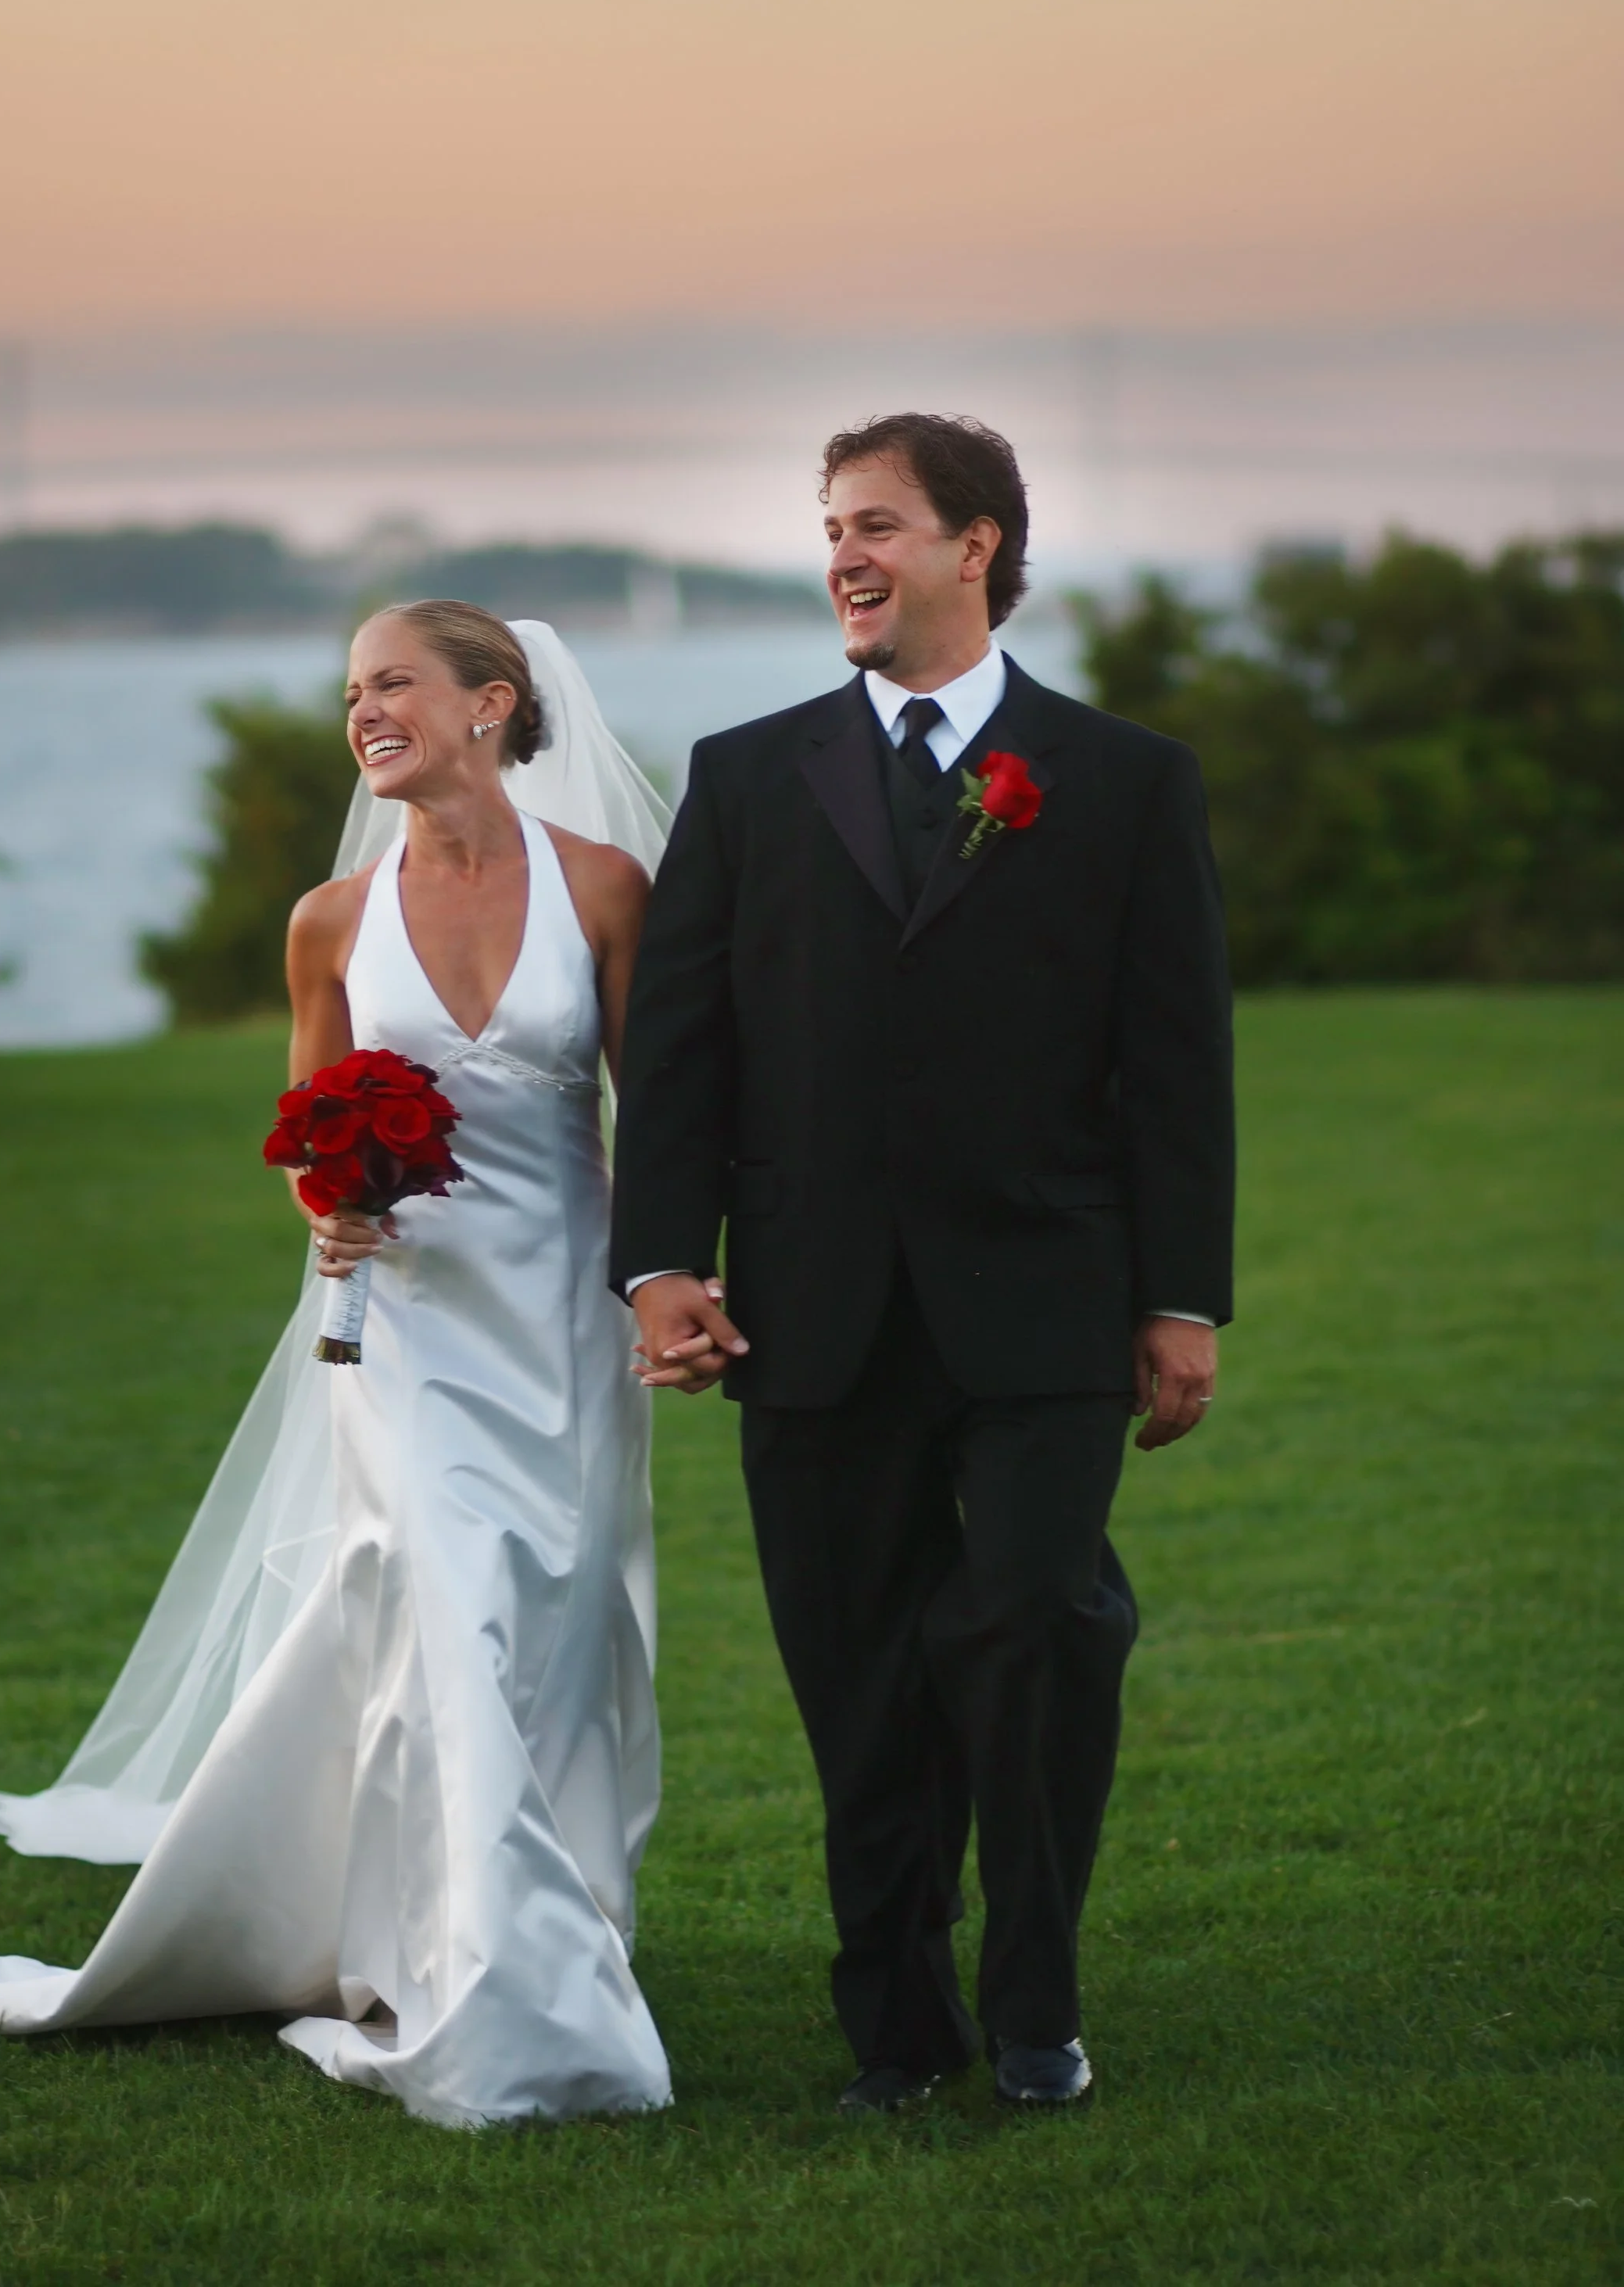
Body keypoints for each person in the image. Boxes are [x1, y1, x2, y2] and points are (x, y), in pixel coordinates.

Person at [0, 605, 674, 2129]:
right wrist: (329, 1208)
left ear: (491, 703)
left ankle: (516, 1929)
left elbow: (653, 1119)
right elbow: (311, 1132)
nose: (362, 712)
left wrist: (672, 1286)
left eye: (394, 683)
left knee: (557, 1645)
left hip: (565, 1335)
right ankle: (506, 2015)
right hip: (404, 1337)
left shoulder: (606, 889)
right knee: (449, 1623)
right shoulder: (332, 919)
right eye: (349, 693)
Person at [612, 413, 1235, 2114]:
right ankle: (894, 2027)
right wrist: (663, 1259)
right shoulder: (746, 777)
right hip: (808, 1318)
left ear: (979, 546)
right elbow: (680, 1051)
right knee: (859, 1684)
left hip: (1042, 1302)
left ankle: (1038, 2004)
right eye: (831, 530)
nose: (845, 558)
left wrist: (1179, 1298)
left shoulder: (1121, 780)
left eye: (877, 523)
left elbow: (1176, 1066)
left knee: (1035, 1624)